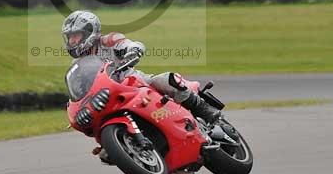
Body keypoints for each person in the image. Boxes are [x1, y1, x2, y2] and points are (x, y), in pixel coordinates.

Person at [61, 10, 221, 123]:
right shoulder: (77, 65)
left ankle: (203, 109)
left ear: (90, 31)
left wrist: (133, 51)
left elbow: (128, 44)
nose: (72, 41)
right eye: (70, 38)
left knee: (167, 80)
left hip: (132, 81)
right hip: (110, 96)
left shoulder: (109, 40)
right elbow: (79, 89)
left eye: (76, 36)